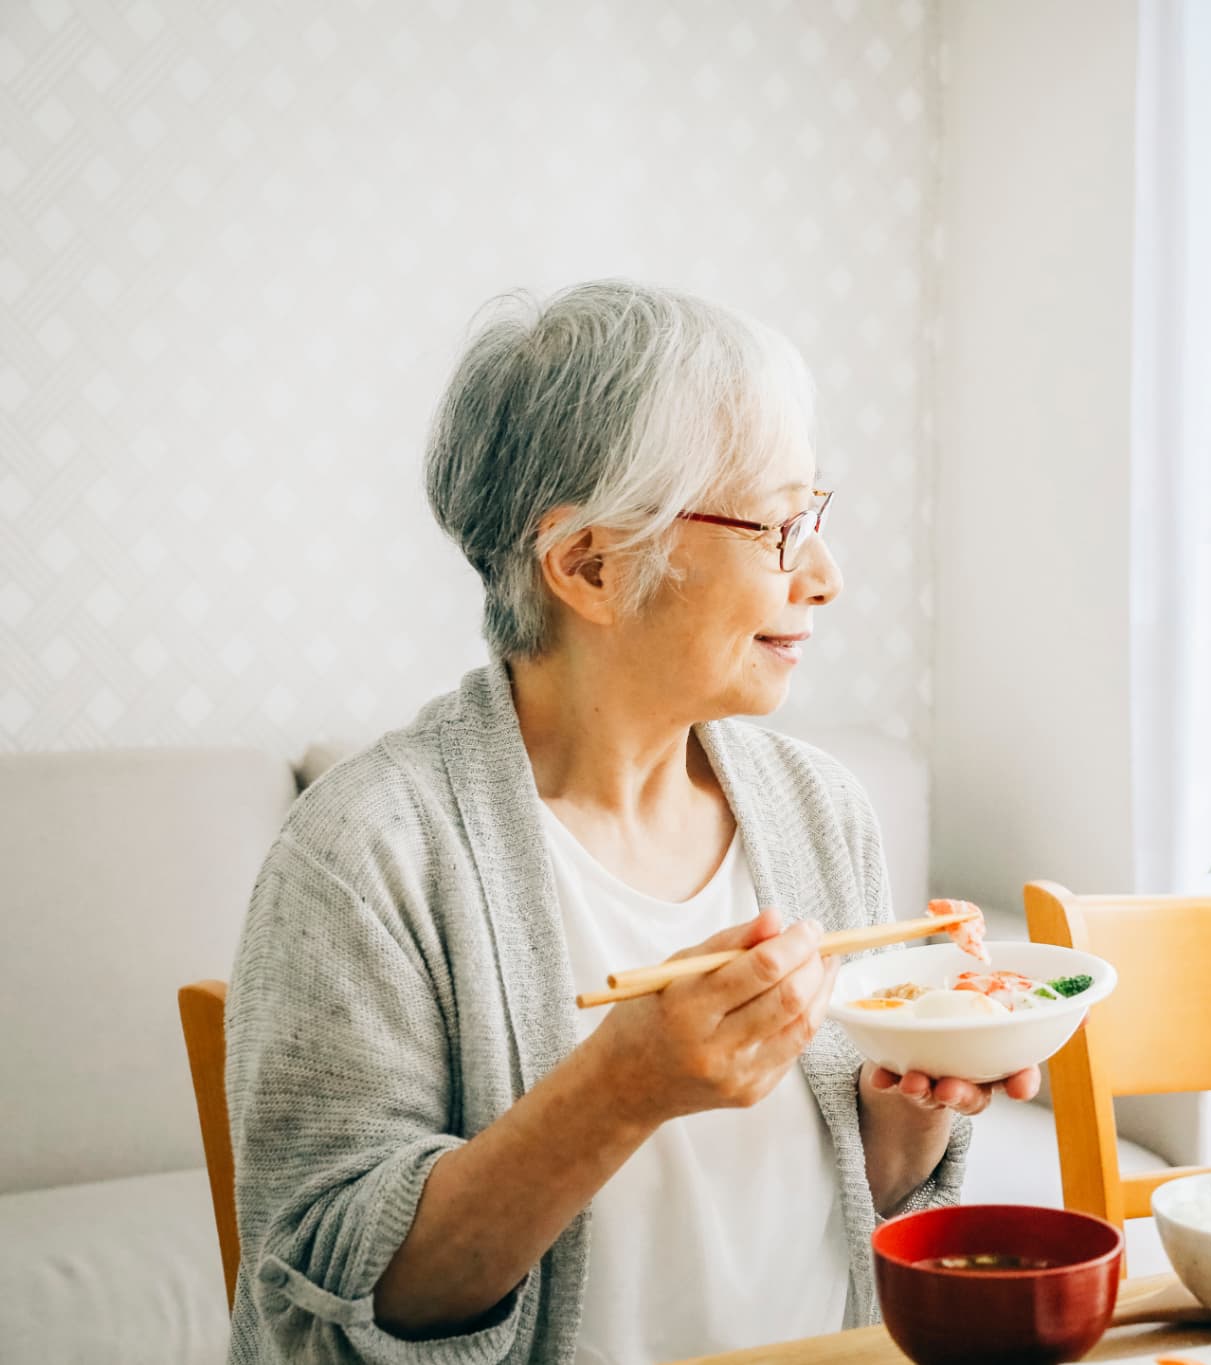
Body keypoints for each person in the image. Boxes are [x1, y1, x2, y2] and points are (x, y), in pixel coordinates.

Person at [225, 281, 1035, 1363]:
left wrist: (912, 1106)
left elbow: (843, 1197)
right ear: (589, 566)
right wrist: (617, 1091)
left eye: (817, 516)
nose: (827, 577)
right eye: (781, 526)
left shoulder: (817, 810)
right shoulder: (368, 853)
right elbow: (331, 1297)